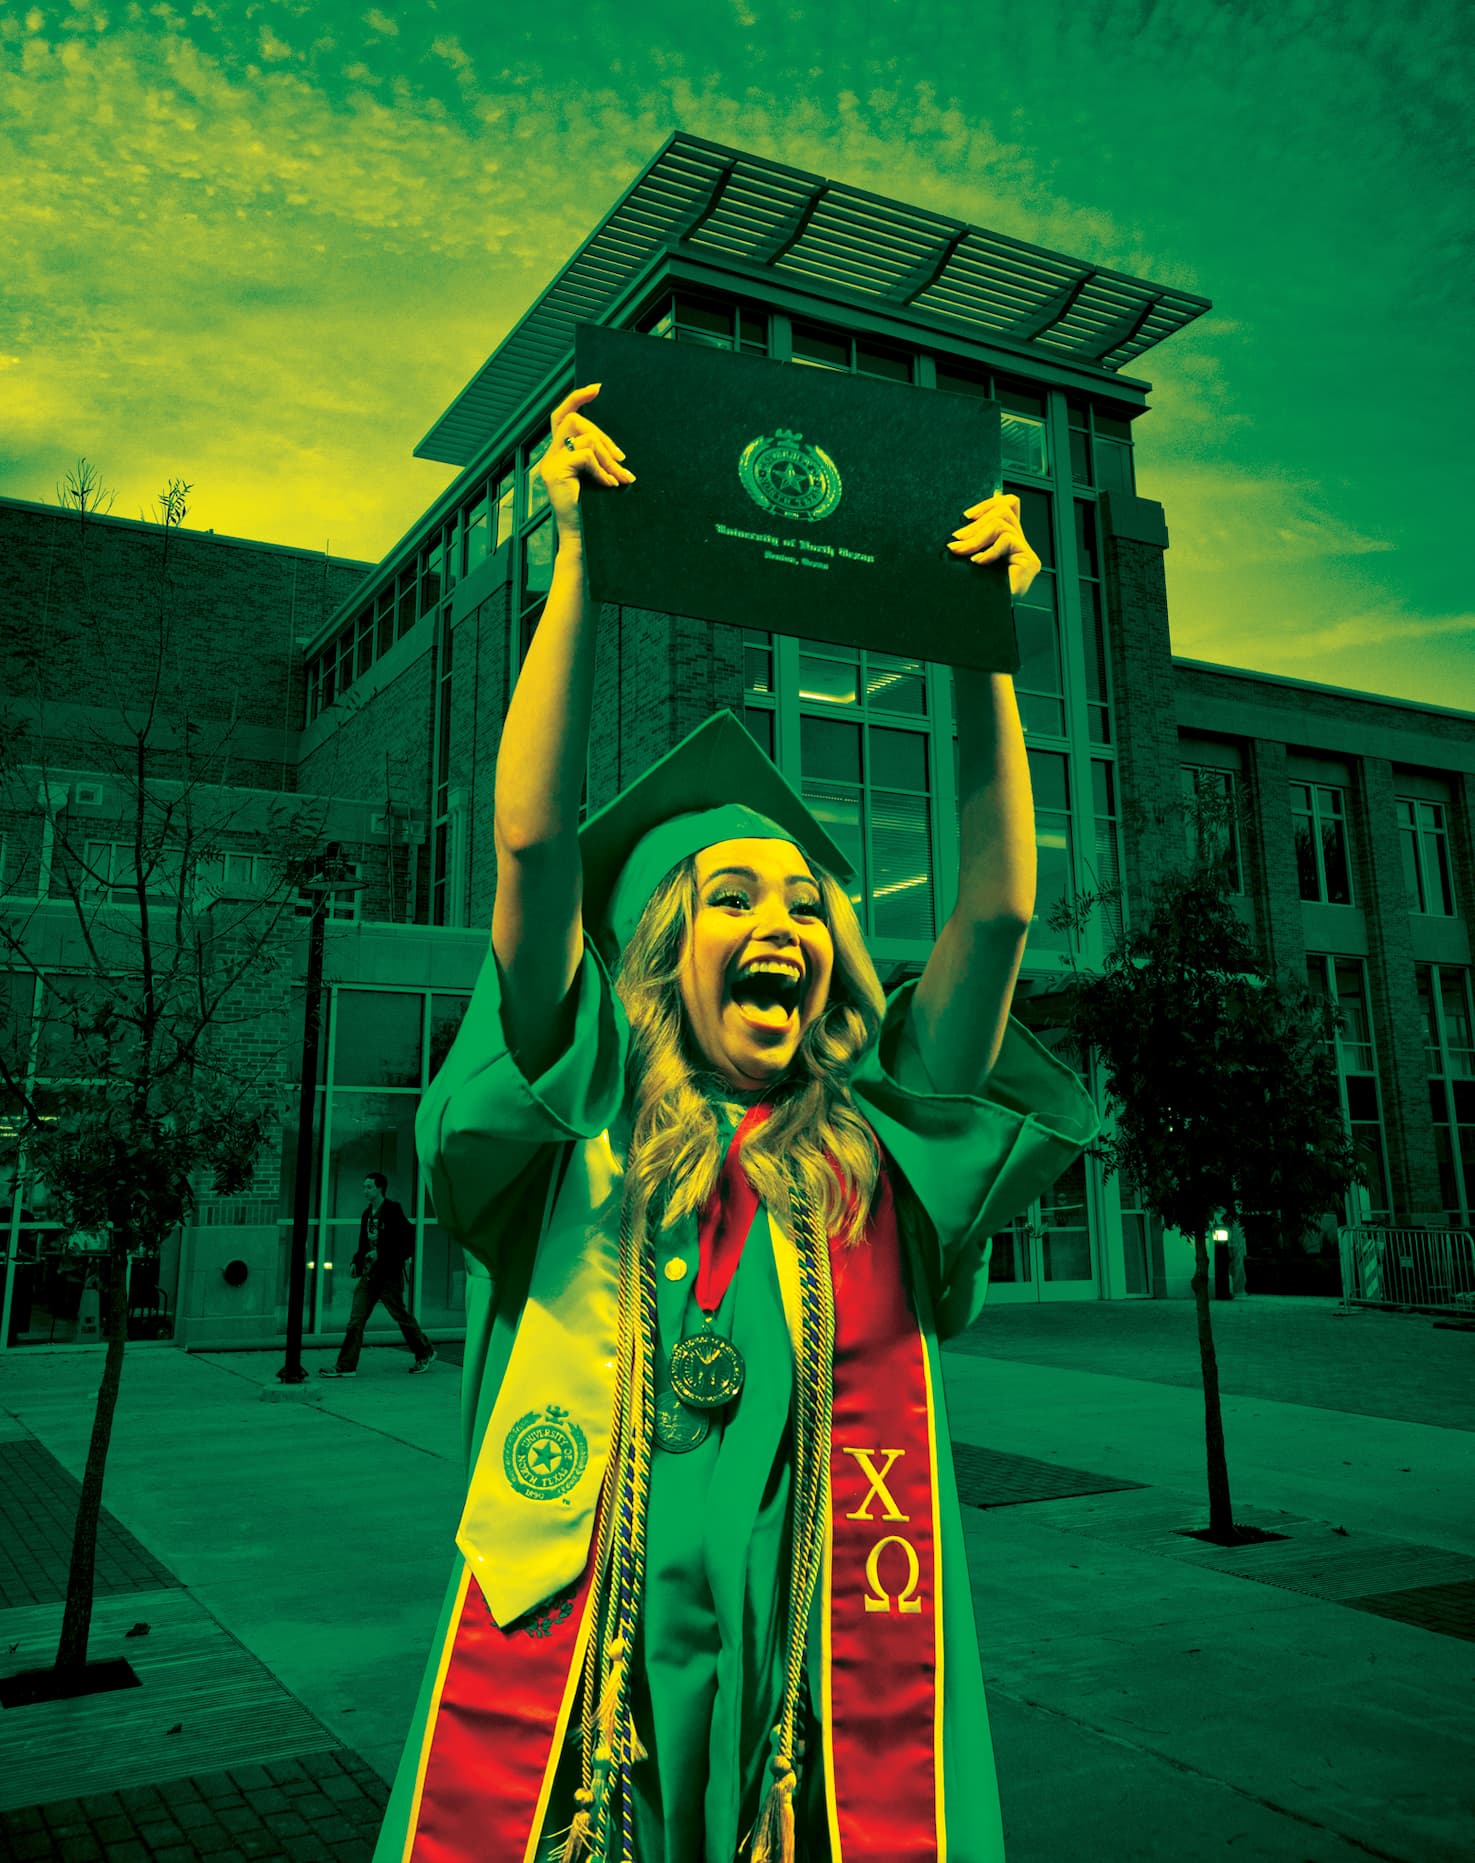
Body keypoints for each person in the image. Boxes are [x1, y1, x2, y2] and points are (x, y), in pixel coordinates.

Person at [373, 384, 1101, 1862]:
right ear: (652, 946)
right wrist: (575, 558)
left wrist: (984, 649)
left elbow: (999, 904)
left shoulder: (875, 1145)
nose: (778, 922)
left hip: (816, 1658)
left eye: (802, 903)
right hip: (592, 1668)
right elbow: (527, 843)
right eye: (728, 895)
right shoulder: (574, 1115)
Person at [320, 1172, 437, 1377]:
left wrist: (381, 1253)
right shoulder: (367, 1214)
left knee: (401, 1316)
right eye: (364, 1187)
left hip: (388, 1276)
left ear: (380, 1188)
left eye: (369, 1187)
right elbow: (363, 1244)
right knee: (356, 1320)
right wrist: (356, 1262)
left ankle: (424, 1352)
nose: (365, 1191)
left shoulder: (392, 1210)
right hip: (369, 1276)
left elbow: (406, 1239)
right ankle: (346, 1366)